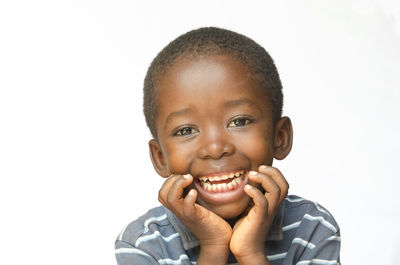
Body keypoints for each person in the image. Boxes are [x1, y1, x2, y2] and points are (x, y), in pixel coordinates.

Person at [115, 27, 340, 265]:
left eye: (239, 121)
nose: (214, 148)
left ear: (280, 137)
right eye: (186, 131)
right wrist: (213, 248)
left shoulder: (311, 227)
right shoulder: (144, 243)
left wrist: (250, 253)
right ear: (160, 157)